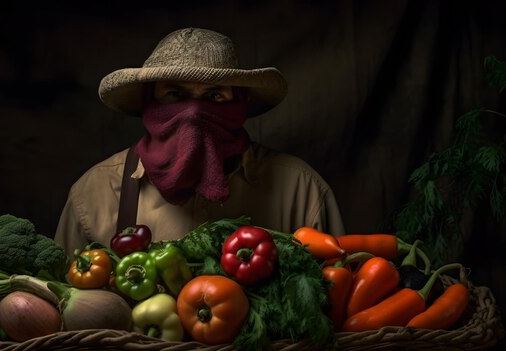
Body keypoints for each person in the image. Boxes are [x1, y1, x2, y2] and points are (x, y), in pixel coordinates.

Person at [54, 27, 345, 256]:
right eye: (175, 95)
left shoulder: (301, 191)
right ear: (150, 103)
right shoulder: (94, 194)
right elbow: (62, 316)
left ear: (240, 103)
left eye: (215, 96)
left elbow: (341, 296)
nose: (194, 113)